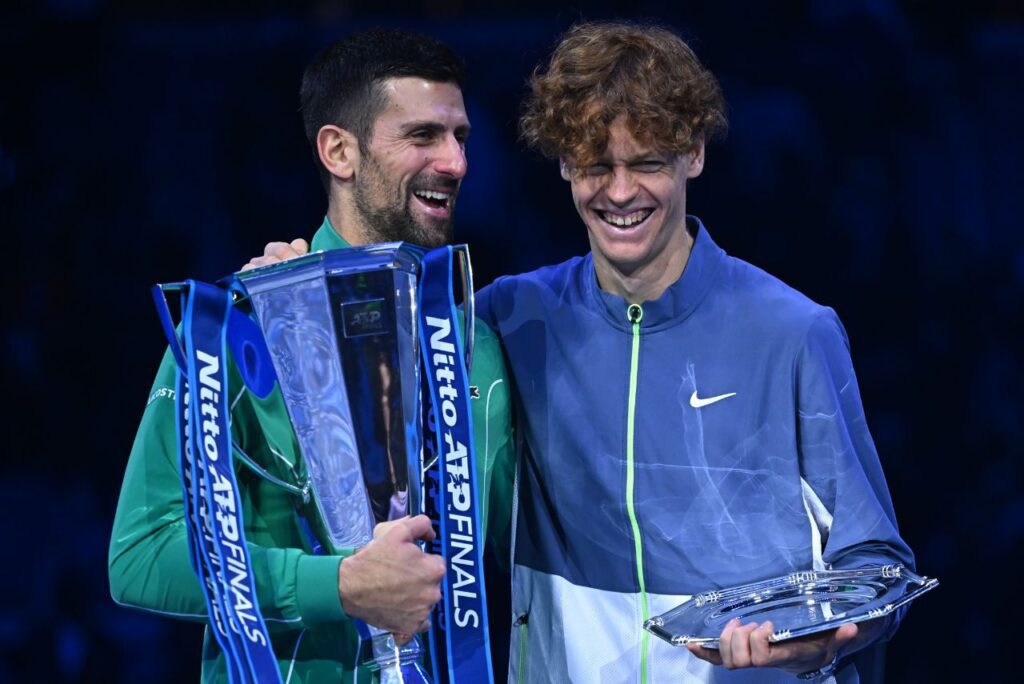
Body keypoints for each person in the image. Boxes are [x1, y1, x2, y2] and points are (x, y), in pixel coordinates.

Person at [253, 21, 916, 683]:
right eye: (597, 165)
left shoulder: (793, 331)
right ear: (566, 164)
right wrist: (300, 284)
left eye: (648, 163)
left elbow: (879, 566)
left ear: (694, 155)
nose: (621, 192)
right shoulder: (507, 318)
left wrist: (815, 643)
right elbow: (379, 368)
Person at [109, 28, 514, 683]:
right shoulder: (239, 329)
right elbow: (141, 556)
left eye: (459, 137)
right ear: (339, 151)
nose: (455, 163)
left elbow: (537, 549)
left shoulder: (476, 344)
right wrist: (340, 585)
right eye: (422, 137)